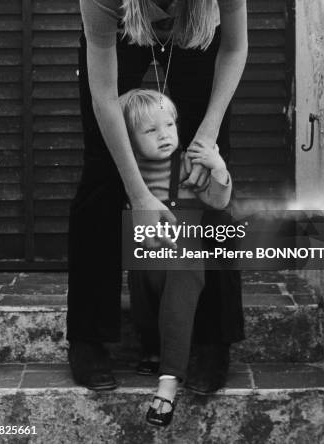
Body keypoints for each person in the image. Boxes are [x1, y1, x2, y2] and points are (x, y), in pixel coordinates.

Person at [67, 0, 247, 394]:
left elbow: (235, 48)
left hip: (197, 34)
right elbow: (105, 96)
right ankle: (88, 337)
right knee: (103, 175)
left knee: (207, 176)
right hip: (126, 27)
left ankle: (213, 339)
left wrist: (208, 135)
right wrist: (139, 191)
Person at [120, 89, 232, 426]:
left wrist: (219, 169)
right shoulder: (128, 170)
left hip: (185, 257)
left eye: (169, 125)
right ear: (127, 139)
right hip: (146, 257)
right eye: (150, 131)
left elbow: (218, 201)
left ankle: (167, 387)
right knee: (144, 299)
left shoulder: (186, 163)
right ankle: (153, 348)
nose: (165, 135)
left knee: (180, 288)